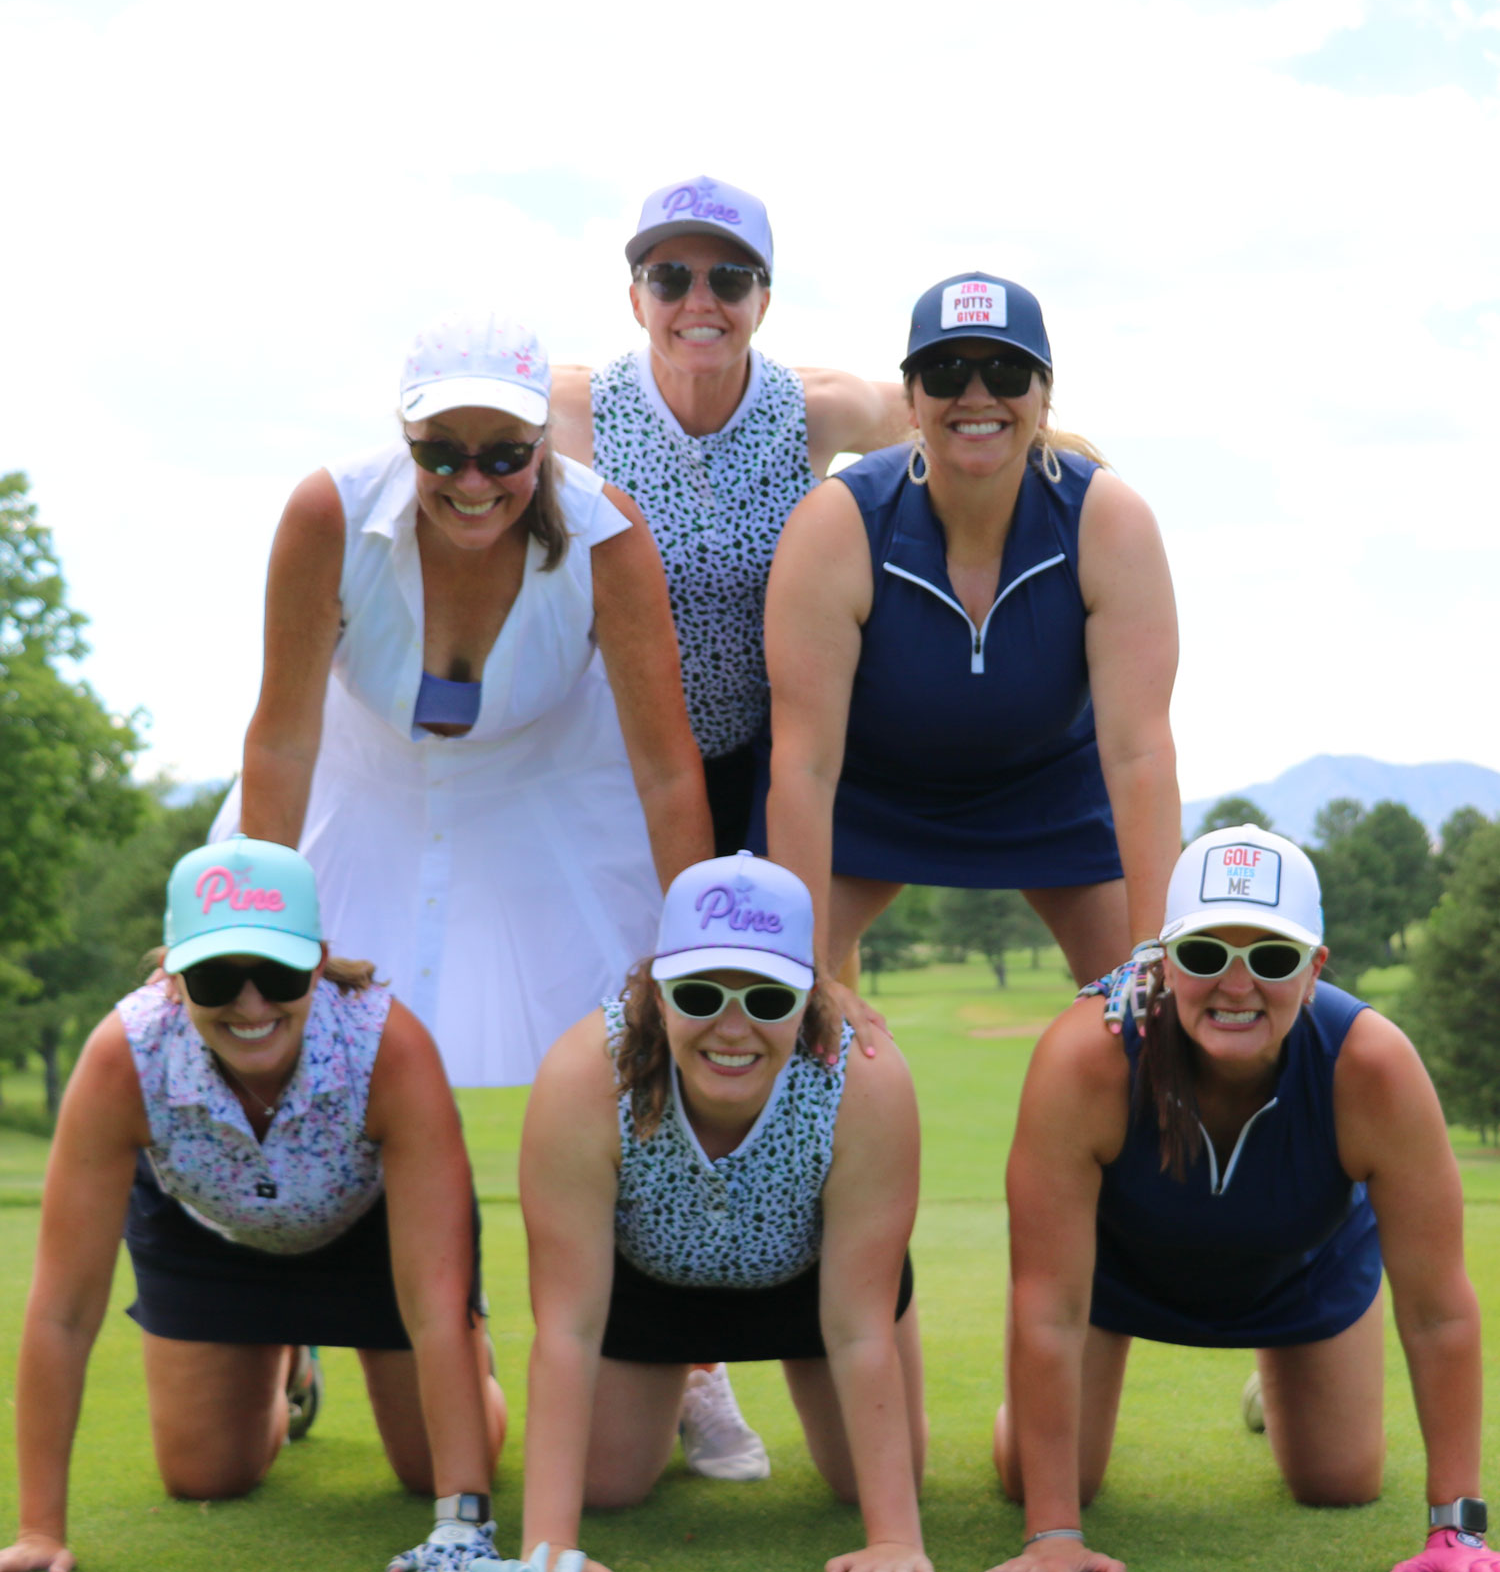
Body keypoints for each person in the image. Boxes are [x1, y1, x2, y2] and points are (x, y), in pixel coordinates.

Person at [983, 824, 1500, 1572]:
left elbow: (1439, 1312)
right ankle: (1027, 1417)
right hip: (1116, 1276)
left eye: (1272, 956)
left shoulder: (1375, 1066)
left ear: (1315, 966)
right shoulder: (1084, 1055)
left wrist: (1457, 1525)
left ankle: (1276, 1381)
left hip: (1303, 1268)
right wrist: (1053, 1533)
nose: (1235, 983)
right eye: (1203, 953)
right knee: (1039, 1474)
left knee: (1340, 1479)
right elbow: (1049, 1305)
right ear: (1162, 959)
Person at [216, 310, 712, 1086]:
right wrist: (265, 925)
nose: (473, 482)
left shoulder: (608, 537)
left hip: (554, 807)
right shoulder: (327, 516)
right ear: (405, 435)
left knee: (595, 1072)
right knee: (319, 1067)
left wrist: (699, 951)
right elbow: (283, 738)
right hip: (354, 801)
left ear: (545, 442)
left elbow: (666, 768)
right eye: (441, 453)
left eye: (506, 454)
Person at [0, 837, 507, 1572]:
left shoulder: (387, 1046)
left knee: (427, 1466)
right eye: (214, 977)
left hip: (373, 1229)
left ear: (318, 959)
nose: (251, 1003)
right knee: (205, 1473)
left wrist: (462, 1524)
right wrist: (41, 1526)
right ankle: (288, 1357)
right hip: (210, 1234)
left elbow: (433, 1307)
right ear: (173, 979)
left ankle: (476, 1367)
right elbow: (63, 1310)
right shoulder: (123, 1056)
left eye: (277, 972)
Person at [514, 852, 932, 1572]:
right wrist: (547, 1541)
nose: (733, 1028)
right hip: (648, 1278)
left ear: (808, 996)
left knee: (869, 1480)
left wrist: (894, 1537)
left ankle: (715, 1379)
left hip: (817, 1281)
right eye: (701, 993)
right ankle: (698, 1380)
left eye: (768, 998)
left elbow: (859, 1327)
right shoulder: (585, 1072)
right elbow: (568, 1327)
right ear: (659, 989)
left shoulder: (865, 1078)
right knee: (604, 1485)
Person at [762, 269, 1180, 993]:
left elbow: (1140, 753)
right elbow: (804, 765)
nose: (978, 395)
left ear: (1044, 395)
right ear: (912, 398)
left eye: (1008, 370)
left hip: (1050, 790)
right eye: (948, 369)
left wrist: (1155, 957)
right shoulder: (838, 526)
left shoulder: (1108, 522)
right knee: (772, 1001)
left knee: (1155, 1021)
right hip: (873, 794)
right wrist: (804, 974)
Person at [547, 174, 908, 858]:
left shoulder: (818, 407)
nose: (700, 302)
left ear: (763, 301)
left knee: (789, 956)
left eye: (732, 279)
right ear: (635, 299)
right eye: (670, 278)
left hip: (770, 756)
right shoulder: (571, 409)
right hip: (609, 761)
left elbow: (954, 418)